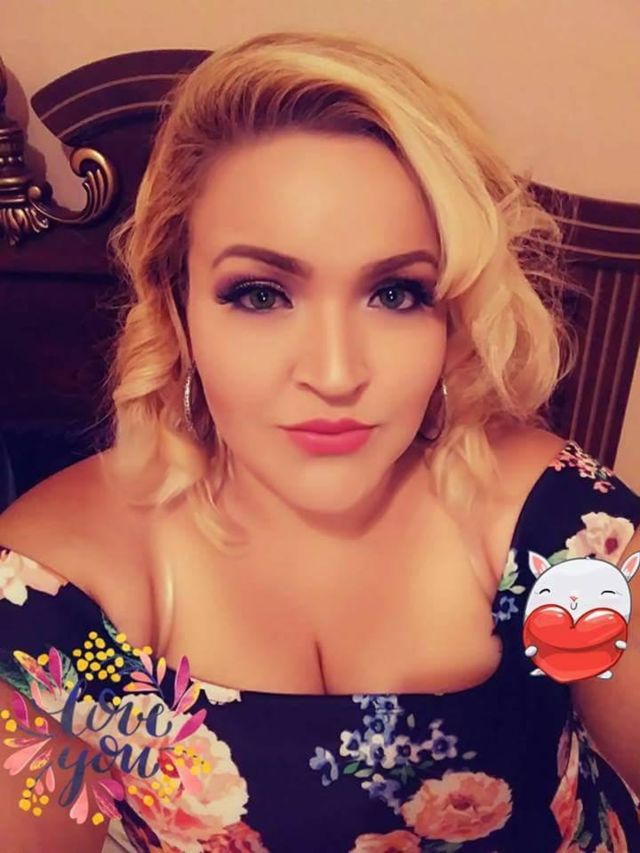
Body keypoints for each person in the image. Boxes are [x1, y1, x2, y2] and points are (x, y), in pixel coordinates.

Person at [0, 28, 638, 853]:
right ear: (176, 305)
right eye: (261, 294)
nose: (336, 373)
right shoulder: (53, 593)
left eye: (397, 292)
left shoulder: (557, 529)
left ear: (452, 314)